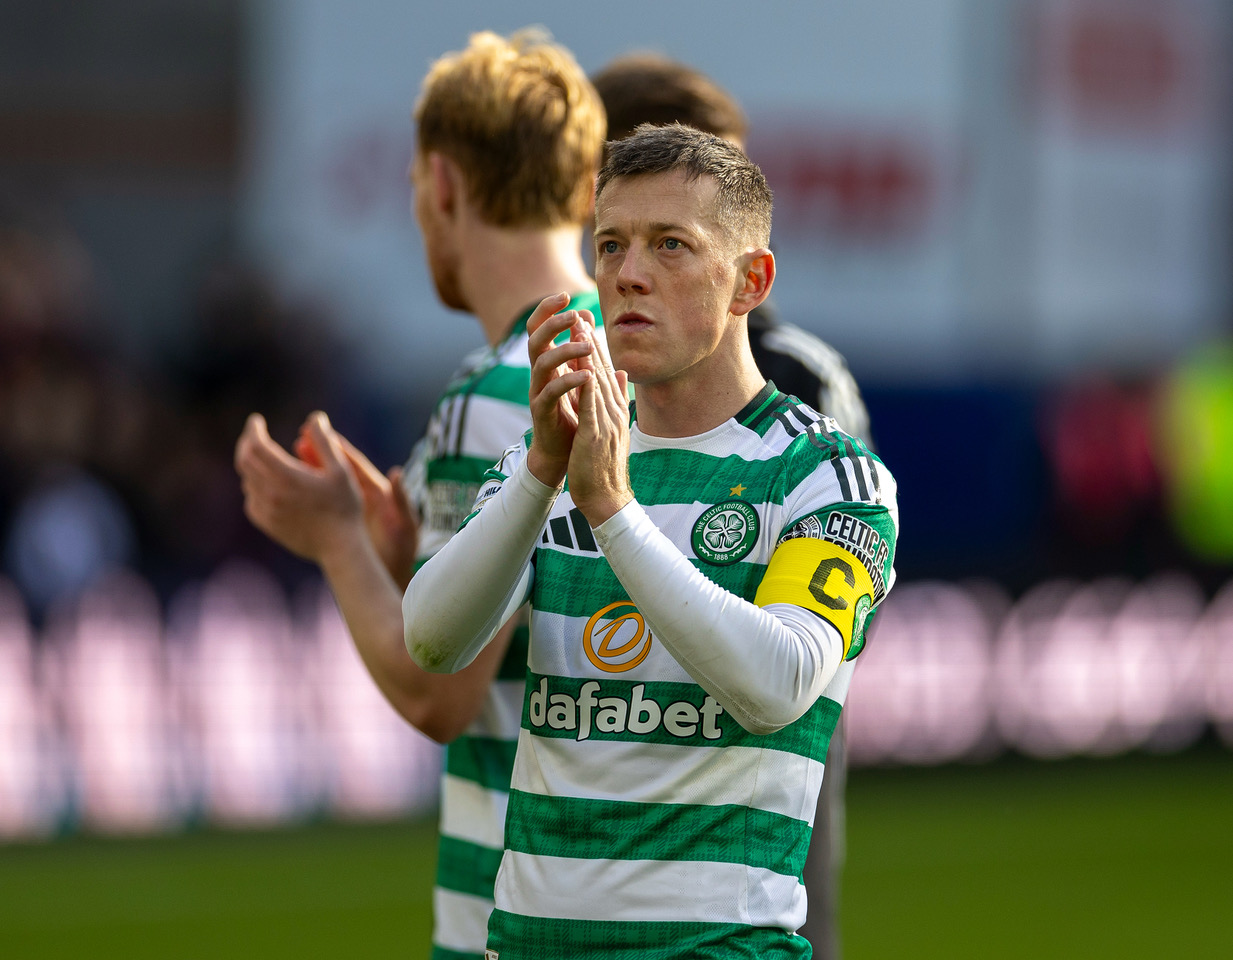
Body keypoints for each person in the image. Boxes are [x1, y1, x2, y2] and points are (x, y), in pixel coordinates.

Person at [405, 124, 899, 959]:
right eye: (611, 244)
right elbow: (433, 640)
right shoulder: (548, 455)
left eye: (670, 244)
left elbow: (777, 685)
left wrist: (611, 511)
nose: (628, 273)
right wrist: (539, 476)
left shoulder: (823, 474)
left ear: (750, 280)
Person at [233, 30, 605, 960]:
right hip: (636, 892)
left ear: (442, 184)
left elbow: (439, 689)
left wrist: (338, 545)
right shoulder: (637, 362)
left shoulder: (497, 392)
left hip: (512, 912)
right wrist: (409, 561)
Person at [591, 52, 868, 957]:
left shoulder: (802, 384)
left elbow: (821, 607)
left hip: (756, 737)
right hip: (606, 760)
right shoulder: (580, 372)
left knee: (783, 910)